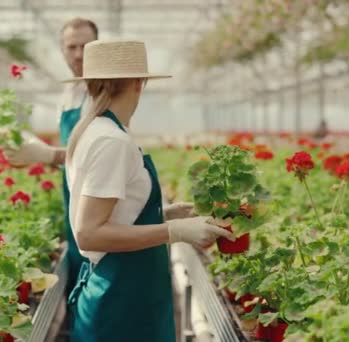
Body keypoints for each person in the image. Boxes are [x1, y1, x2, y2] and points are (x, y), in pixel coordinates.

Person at [63, 39, 233, 341]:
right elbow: (89, 232)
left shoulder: (99, 131)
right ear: (139, 83)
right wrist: (174, 231)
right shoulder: (110, 141)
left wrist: (164, 213)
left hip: (125, 295)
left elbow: (114, 214)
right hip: (121, 305)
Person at [3, 18, 98, 295]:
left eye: (86, 46)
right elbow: (73, 146)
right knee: (83, 265)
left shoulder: (104, 90)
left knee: (97, 264)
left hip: (97, 191)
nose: (79, 54)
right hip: (73, 188)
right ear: (62, 50)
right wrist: (33, 152)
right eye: (72, 47)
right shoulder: (69, 91)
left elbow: (102, 154)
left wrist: (46, 154)